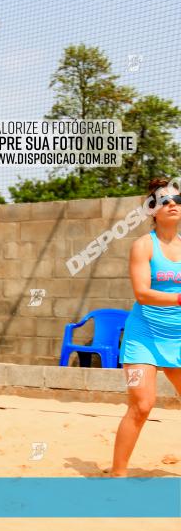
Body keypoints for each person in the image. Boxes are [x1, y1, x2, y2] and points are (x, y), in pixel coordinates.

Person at [111, 178, 181, 476]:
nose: (172, 204)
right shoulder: (143, 246)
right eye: (163, 200)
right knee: (142, 405)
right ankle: (118, 474)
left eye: (177, 199)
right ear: (151, 210)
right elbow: (142, 293)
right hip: (144, 337)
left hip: (177, 336)